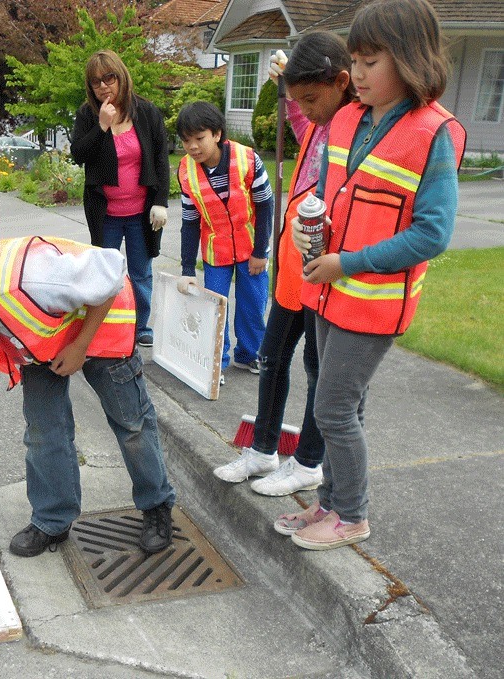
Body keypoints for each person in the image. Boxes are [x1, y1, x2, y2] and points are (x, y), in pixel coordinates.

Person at [280, 0, 465, 550]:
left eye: (368, 61)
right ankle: (331, 504)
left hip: (375, 298)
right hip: (330, 288)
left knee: (333, 407)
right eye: (354, 61)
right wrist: (308, 224)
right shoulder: (347, 119)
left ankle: (352, 516)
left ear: (409, 59)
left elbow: (432, 235)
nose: (355, 74)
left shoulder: (435, 132)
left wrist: (349, 262)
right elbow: (329, 194)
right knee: (341, 402)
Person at [0, 236, 176, 557]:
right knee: (43, 430)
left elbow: (110, 268)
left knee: (131, 422)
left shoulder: (35, 279)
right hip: (43, 340)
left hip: (103, 322)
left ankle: (157, 505)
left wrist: (80, 346)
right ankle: (53, 520)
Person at [213, 33, 355, 497]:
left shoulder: (355, 126)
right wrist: (288, 86)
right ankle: (263, 450)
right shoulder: (317, 119)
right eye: (300, 100)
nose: (306, 108)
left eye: (311, 98)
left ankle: (309, 462)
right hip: (293, 266)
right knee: (271, 358)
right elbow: (302, 124)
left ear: (341, 83)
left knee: (317, 367)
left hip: (324, 267)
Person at [71, 50, 170, 348]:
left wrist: (161, 201)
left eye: (109, 78)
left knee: (140, 272)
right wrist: (101, 125)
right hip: (107, 213)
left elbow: (161, 159)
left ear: (121, 77)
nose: (103, 87)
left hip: (141, 212)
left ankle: (141, 326)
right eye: (96, 82)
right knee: (104, 273)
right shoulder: (87, 114)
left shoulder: (147, 112)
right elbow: (78, 155)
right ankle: (107, 324)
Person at [176, 102, 273, 381]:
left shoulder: (247, 159)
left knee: (252, 305)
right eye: (186, 141)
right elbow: (190, 222)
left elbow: (265, 206)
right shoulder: (185, 172)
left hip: (251, 248)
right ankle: (216, 361)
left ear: (217, 134)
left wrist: (260, 252)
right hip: (214, 252)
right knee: (214, 308)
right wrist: (186, 269)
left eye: (199, 138)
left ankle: (250, 355)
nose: (193, 147)